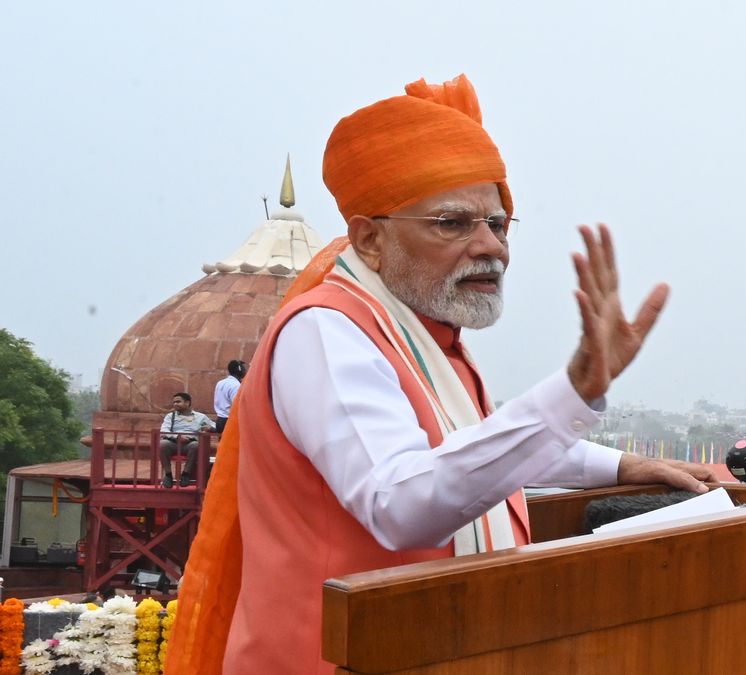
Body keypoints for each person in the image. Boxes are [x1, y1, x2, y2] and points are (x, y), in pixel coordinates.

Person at [166, 74, 716, 675]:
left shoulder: (426, 337)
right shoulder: (326, 333)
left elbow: (467, 451)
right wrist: (571, 395)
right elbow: (401, 501)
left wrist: (620, 467)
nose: (490, 248)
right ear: (370, 239)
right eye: (452, 223)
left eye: (498, 225)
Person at [158, 392, 214, 488]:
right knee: (163, 444)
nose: (175, 404)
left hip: (190, 443)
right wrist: (177, 437)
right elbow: (164, 430)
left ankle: (185, 474)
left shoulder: (200, 417)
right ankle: (168, 475)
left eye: (178, 402)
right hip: (174, 442)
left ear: (187, 403)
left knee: (196, 445)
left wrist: (210, 428)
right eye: (174, 402)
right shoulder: (170, 416)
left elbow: (214, 426)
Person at [212, 359, 246, 432]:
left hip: (220, 420)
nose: (245, 371)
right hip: (229, 421)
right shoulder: (235, 385)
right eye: (243, 369)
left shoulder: (220, 383)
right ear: (239, 370)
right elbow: (237, 405)